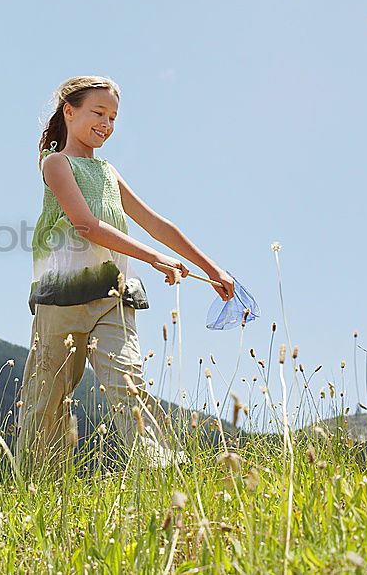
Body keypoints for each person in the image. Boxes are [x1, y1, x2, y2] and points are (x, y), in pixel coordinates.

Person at [17, 76, 235, 470]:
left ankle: (162, 472)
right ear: (70, 111)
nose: (107, 123)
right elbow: (86, 224)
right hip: (60, 299)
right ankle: (38, 488)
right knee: (46, 402)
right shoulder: (56, 164)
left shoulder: (108, 172)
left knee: (128, 384)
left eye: (113, 117)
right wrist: (155, 259)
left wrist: (212, 268)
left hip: (113, 297)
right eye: (98, 113)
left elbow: (157, 224)